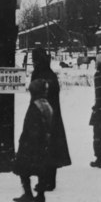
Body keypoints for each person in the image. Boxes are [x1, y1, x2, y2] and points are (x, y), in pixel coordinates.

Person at [30, 47, 71, 190]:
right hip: (53, 116)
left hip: (42, 116)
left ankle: (44, 182)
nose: (33, 62)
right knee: (51, 149)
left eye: (34, 59)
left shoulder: (40, 74)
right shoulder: (50, 73)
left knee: (42, 148)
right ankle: (49, 182)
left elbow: (36, 95)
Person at [13, 79, 54, 202]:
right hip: (44, 142)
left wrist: (25, 141)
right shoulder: (46, 105)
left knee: (23, 168)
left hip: (31, 143)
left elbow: (31, 126)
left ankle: (28, 194)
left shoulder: (35, 106)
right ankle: (40, 195)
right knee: (41, 169)